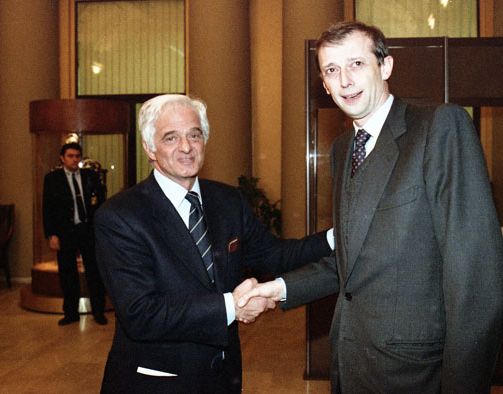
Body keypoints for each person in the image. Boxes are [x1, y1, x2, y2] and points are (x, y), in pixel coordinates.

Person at [237, 21, 503, 393]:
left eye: (357, 64)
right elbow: (351, 261)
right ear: (324, 84)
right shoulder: (343, 149)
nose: (345, 80)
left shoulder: (438, 128)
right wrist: (276, 290)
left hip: (416, 374)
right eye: (332, 70)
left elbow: (475, 275)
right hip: (351, 367)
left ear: (386, 66)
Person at [93, 94, 333, 394]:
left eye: (194, 135)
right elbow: (141, 313)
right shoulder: (120, 216)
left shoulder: (227, 200)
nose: (186, 147)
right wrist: (233, 306)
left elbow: (275, 255)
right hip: (157, 383)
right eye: (171, 138)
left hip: (223, 378)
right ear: (149, 148)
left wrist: (337, 237)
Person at [43, 142, 108, 326]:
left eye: (77, 156)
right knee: (67, 273)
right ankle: (71, 313)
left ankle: (98, 311)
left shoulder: (90, 176)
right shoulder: (52, 179)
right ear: (62, 158)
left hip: (87, 230)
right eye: (70, 156)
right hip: (65, 232)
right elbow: (47, 209)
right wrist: (51, 235)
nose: (74, 160)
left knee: (94, 272)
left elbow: (101, 202)